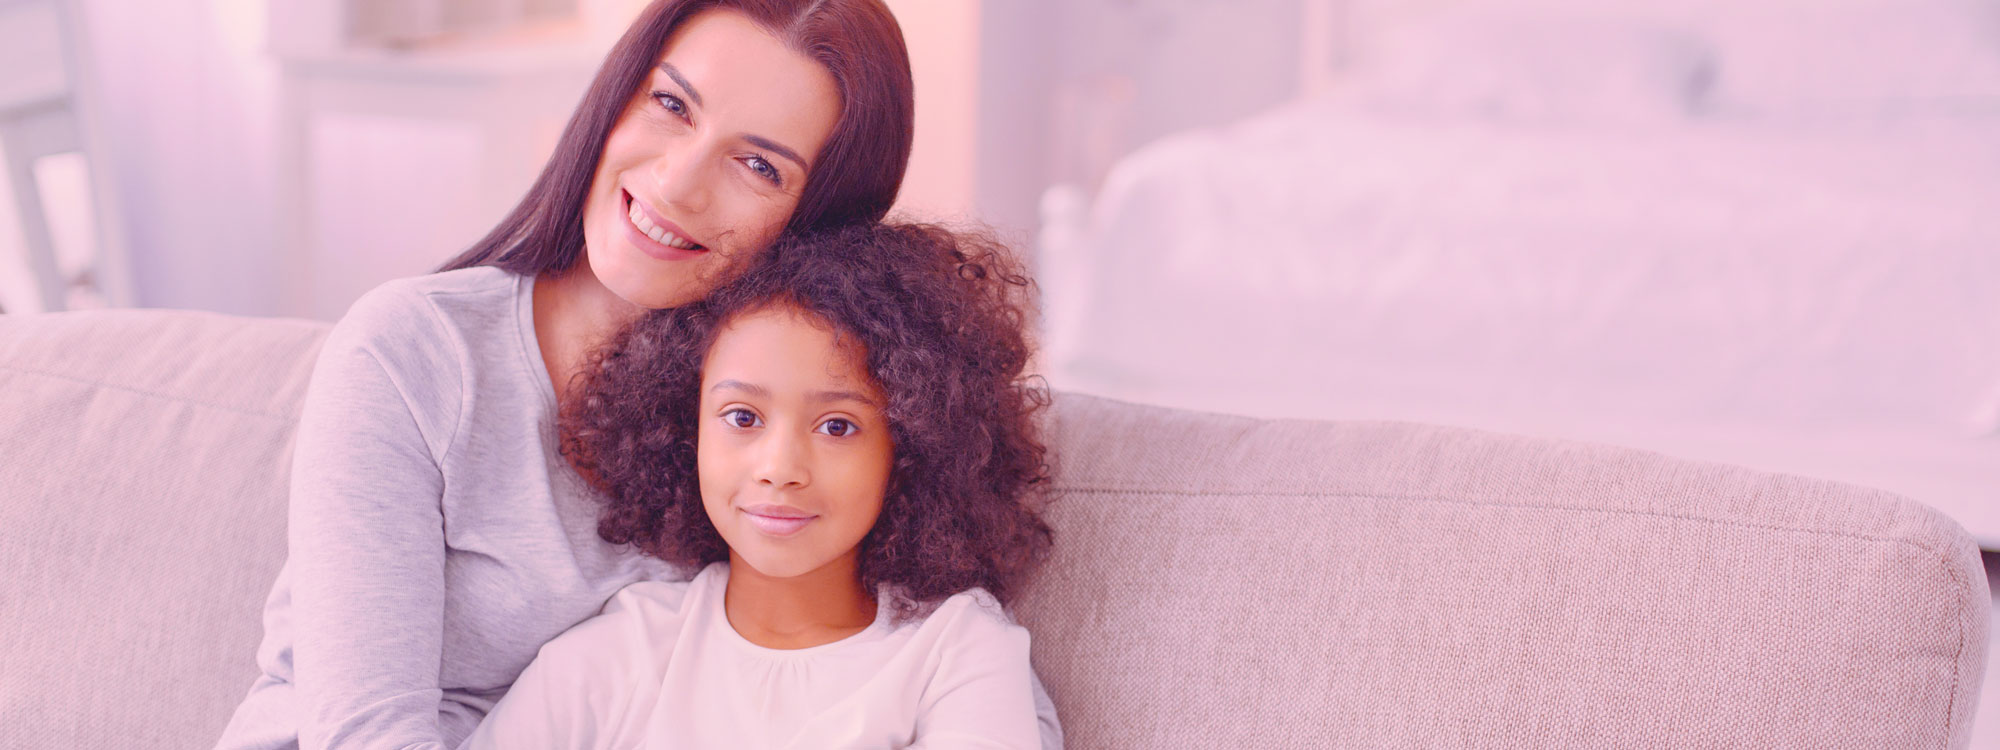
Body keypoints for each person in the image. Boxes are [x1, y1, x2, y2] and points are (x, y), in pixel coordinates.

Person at [213, 2, 1060, 748]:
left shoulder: (773, 436)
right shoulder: (412, 353)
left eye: (758, 165)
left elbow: (960, 671)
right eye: (670, 104)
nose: (677, 182)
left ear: (816, 229)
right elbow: (360, 736)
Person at [462, 220, 1053, 748]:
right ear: (684, 430)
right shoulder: (616, 656)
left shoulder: (955, 653)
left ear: (912, 448)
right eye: (742, 417)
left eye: (838, 426)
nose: (780, 467)